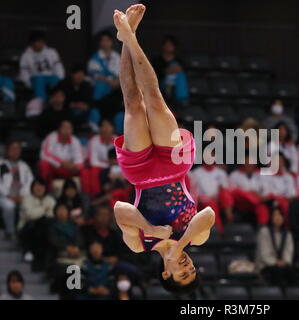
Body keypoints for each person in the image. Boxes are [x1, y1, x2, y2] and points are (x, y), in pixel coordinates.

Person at [111, 5, 215, 294]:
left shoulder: (138, 244)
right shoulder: (196, 238)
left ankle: (126, 37)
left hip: (142, 173)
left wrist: (154, 231)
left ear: (167, 275)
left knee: (133, 102)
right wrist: (178, 243)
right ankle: (130, 38)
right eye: (191, 267)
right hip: (172, 166)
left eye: (182, 272)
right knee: (155, 100)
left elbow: (120, 210)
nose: (187, 264)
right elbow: (208, 215)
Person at [0, 141, 34, 239]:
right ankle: (10, 232)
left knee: (28, 205)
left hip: (21, 195)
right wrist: (8, 195)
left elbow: (30, 182)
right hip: (4, 195)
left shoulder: (24, 166)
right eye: (12, 149)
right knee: (9, 206)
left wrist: (23, 195)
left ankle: (24, 232)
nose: (15, 151)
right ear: (7, 151)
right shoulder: (1, 164)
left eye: (17, 149)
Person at [18, 178, 55, 267]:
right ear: (32, 188)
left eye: (41, 186)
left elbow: (53, 215)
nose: (39, 188)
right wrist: (44, 208)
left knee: (46, 224)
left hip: (44, 228)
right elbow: (31, 215)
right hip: (27, 228)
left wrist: (40, 211)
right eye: (36, 186)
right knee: (34, 224)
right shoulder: (27, 199)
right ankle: (28, 250)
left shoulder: (50, 199)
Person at [19, 30, 65, 100]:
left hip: (50, 77)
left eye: (43, 42)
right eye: (38, 42)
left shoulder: (52, 52)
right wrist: (28, 83)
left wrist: (60, 78)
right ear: (32, 43)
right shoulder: (26, 55)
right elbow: (24, 72)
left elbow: (58, 67)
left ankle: (54, 101)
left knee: (55, 79)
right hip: (36, 78)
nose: (41, 44)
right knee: (39, 80)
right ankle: (40, 103)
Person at [255, 207, 295, 286]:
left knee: (291, 271)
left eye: (280, 215)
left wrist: (285, 261)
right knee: (277, 271)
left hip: (282, 264)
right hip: (266, 264)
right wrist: (275, 262)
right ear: (270, 217)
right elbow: (264, 254)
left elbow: (289, 250)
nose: (278, 218)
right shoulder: (264, 231)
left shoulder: (287, 233)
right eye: (275, 215)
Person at [38, 120, 84, 185]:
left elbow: (80, 159)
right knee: (44, 164)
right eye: (64, 127)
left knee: (83, 170)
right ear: (59, 129)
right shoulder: (51, 137)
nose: (66, 130)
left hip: (69, 168)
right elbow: (44, 155)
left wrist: (75, 166)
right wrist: (61, 163)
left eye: (69, 128)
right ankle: (45, 189)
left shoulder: (75, 141)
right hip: (55, 166)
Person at [228, 155, 269, 225]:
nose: (249, 164)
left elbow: (266, 193)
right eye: (247, 162)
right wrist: (249, 193)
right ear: (243, 163)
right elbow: (232, 191)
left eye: (251, 163)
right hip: (241, 203)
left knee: (262, 209)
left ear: (255, 164)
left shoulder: (261, 175)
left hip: (257, 202)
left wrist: (257, 195)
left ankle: (262, 228)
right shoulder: (235, 175)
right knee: (238, 192)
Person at [80, 119, 116, 196]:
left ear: (113, 128)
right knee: (94, 171)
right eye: (103, 126)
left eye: (108, 126)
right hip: (99, 167)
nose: (106, 129)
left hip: (114, 167)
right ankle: (96, 195)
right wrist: (109, 165)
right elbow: (93, 162)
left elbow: (121, 159)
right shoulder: (94, 141)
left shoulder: (117, 140)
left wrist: (112, 165)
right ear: (99, 128)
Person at [57, 64, 97, 129]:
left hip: (83, 109)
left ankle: (92, 128)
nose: (80, 77)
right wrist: (74, 105)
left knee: (94, 111)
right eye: (78, 74)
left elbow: (91, 100)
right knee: (74, 112)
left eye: (82, 75)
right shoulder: (64, 84)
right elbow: (61, 100)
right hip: (68, 109)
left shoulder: (87, 85)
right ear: (72, 74)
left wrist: (86, 106)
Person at [151, 35, 189, 103]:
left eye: (171, 45)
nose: (169, 47)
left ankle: (181, 99)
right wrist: (166, 71)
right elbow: (154, 75)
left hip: (176, 85)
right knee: (171, 73)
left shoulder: (179, 61)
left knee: (179, 73)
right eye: (167, 44)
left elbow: (184, 72)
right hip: (161, 84)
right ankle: (169, 96)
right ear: (163, 46)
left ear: (174, 47)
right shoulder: (156, 60)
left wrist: (176, 70)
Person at [88, 31, 120, 102]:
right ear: (100, 43)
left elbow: (120, 73)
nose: (105, 43)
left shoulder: (117, 57)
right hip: (101, 87)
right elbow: (96, 75)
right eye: (103, 40)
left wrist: (117, 82)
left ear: (111, 42)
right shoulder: (94, 58)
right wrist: (110, 82)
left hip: (116, 86)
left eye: (107, 40)